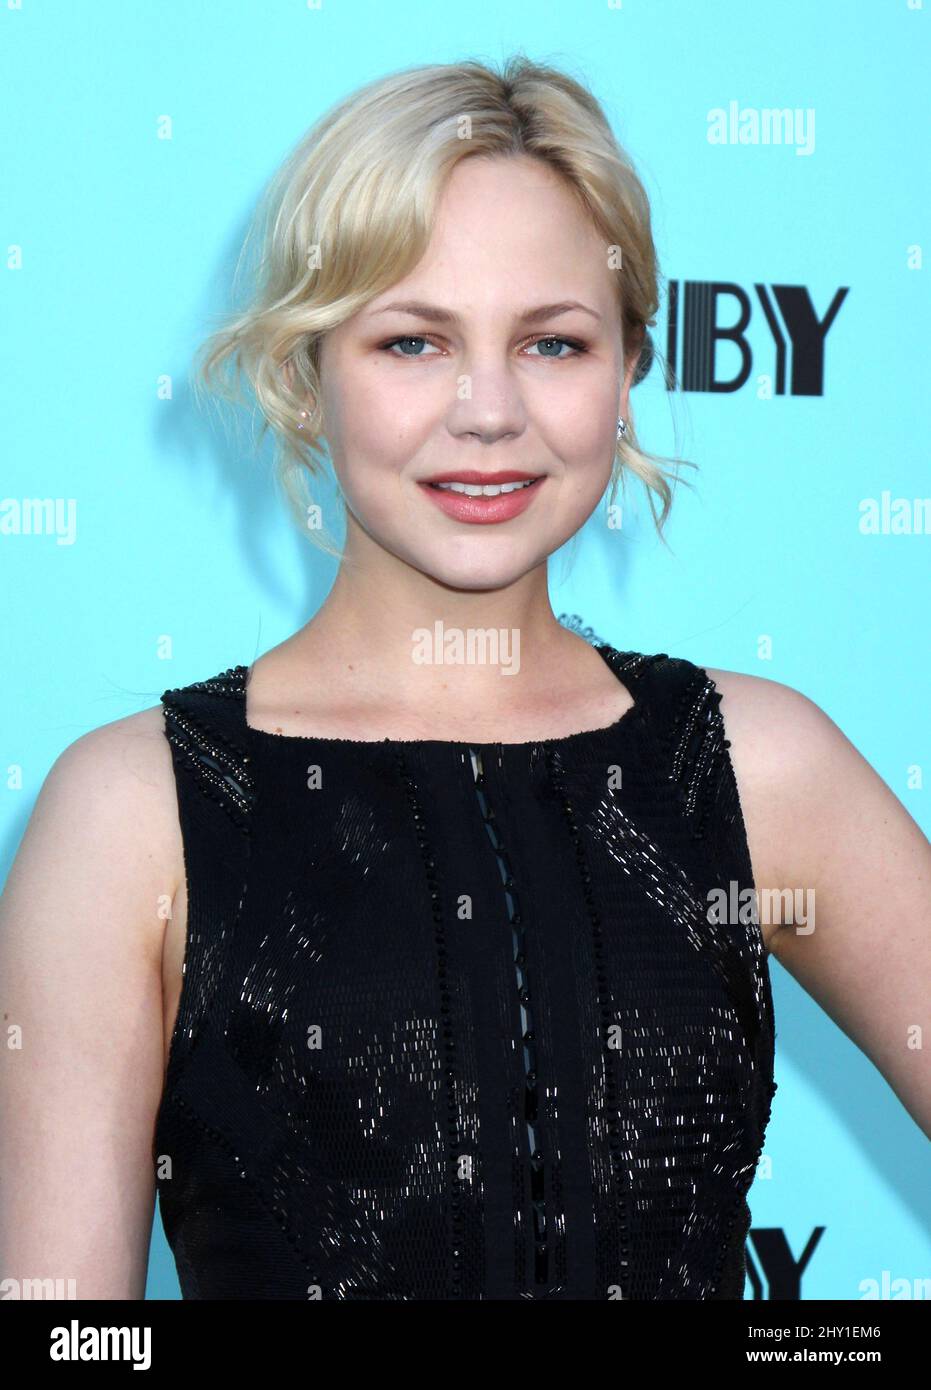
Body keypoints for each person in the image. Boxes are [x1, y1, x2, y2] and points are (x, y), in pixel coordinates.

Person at [1, 55, 928, 1302]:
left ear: (627, 368)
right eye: (412, 340)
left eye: (551, 340)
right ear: (304, 371)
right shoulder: (130, 815)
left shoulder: (759, 767)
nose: (487, 410)